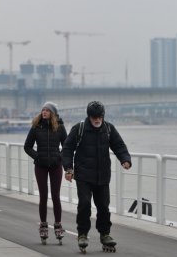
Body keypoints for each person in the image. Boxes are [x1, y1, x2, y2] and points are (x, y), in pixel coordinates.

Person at [62, 101, 132, 252]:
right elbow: (67, 149)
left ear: (103, 116)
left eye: (99, 116)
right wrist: (68, 168)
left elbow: (119, 145)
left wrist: (125, 159)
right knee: (85, 204)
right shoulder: (79, 129)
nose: (97, 119)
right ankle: (82, 234)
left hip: (102, 176)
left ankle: (105, 234)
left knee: (103, 207)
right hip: (83, 176)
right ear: (89, 116)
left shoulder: (108, 129)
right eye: (94, 117)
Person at [24, 102, 68, 244]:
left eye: (47, 110)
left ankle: (58, 224)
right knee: (43, 196)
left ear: (53, 113)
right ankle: (43, 224)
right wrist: (37, 156)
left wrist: (59, 157)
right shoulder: (36, 127)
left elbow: (67, 145)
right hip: (40, 166)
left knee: (56, 196)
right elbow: (27, 146)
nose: (44, 112)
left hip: (56, 165)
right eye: (43, 109)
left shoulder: (60, 127)